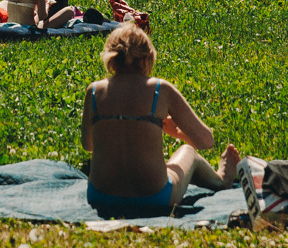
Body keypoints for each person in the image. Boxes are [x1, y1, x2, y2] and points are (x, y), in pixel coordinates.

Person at [81, 22, 240, 214]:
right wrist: (179, 134)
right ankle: (221, 180)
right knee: (188, 151)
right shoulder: (159, 90)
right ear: (147, 59)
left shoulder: (94, 91)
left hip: (101, 196)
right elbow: (206, 141)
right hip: (155, 197)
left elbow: (88, 145)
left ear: (111, 59)